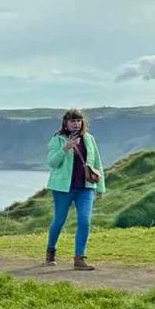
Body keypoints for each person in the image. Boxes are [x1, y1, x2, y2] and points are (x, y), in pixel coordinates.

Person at [45, 109, 106, 270]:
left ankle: (80, 258)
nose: (76, 124)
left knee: (85, 221)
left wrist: (100, 188)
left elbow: (97, 164)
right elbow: (52, 163)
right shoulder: (57, 140)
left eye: (79, 121)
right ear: (66, 122)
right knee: (59, 221)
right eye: (72, 121)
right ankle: (51, 250)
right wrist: (65, 148)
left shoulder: (89, 139)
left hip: (85, 187)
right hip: (62, 188)